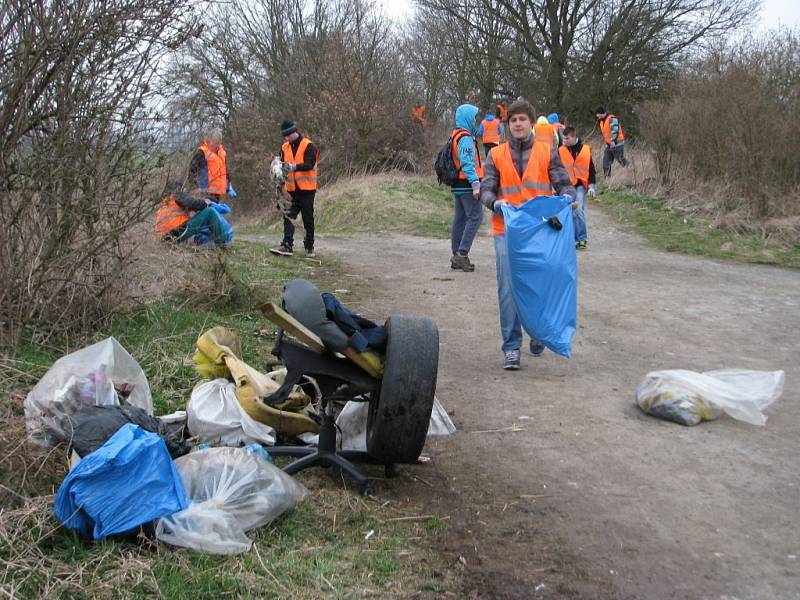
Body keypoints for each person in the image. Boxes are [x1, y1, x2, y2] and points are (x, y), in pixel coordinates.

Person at [480, 98, 576, 370]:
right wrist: (495, 203)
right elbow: (487, 189)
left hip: (539, 232)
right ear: (507, 125)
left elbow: (563, 184)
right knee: (508, 291)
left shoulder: (547, 151)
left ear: (531, 123)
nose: (518, 124)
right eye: (513, 120)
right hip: (506, 231)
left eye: (522, 119)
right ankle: (511, 347)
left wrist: (567, 200)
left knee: (538, 286)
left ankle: (538, 332)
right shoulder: (495, 155)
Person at [270, 120, 319, 258]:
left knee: (308, 219)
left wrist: (294, 167)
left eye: (288, 134)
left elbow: (309, 164)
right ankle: (287, 245)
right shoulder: (284, 147)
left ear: (294, 132)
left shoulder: (309, 146)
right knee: (288, 217)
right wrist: (276, 167)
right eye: (284, 135)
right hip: (291, 189)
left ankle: (309, 246)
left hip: (307, 190)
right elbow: (280, 162)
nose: (286, 138)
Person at [448, 104, 484, 272]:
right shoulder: (466, 138)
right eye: (474, 117)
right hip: (467, 184)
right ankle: (462, 254)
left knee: (460, 218)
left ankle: (456, 254)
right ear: (468, 118)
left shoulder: (455, 134)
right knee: (476, 217)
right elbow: (468, 163)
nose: (476, 120)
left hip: (458, 184)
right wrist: (476, 184)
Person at [155, 182, 231, 246]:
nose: (185, 191)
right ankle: (222, 243)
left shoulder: (165, 203)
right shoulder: (177, 195)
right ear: (177, 190)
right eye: (183, 189)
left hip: (165, 239)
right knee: (209, 212)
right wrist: (206, 202)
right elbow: (190, 202)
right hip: (175, 232)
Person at [558, 127, 596, 250]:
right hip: (566, 186)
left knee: (578, 209)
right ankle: (569, 238)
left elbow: (591, 170)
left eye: (567, 138)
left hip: (580, 186)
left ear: (574, 137)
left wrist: (592, 187)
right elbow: (556, 169)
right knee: (567, 212)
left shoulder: (585, 150)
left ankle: (581, 239)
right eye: (563, 138)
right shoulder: (561, 150)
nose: (564, 140)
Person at [187, 128, 237, 200]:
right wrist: (194, 187)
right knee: (207, 211)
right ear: (209, 141)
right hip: (204, 192)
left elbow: (225, 172)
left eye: (219, 143)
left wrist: (229, 187)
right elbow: (192, 170)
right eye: (216, 143)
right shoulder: (202, 152)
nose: (218, 145)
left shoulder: (222, 153)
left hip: (217, 193)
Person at [596, 107, 629, 177]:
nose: (597, 116)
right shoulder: (601, 122)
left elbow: (615, 132)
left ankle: (631, 170)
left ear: (601, 113)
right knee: (606, 162)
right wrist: (608, 144)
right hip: (609, 145)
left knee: (620, 160)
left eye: (598, 115)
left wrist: (613, 142)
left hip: (617, 144)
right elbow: (606, 134)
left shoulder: (612, 119)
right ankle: (607, 179)